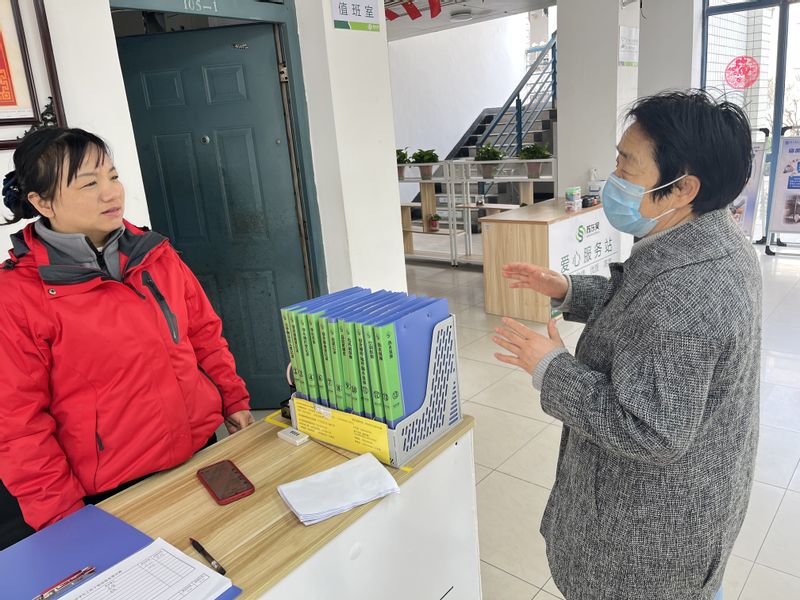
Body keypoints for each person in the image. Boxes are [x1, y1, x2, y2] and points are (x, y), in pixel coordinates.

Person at [492, 91, 760, 600]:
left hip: (647, 540)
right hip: (694, 510)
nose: (612, 178)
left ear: (683, 188)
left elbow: (650, 430)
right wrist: (568, 289)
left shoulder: (686, 287)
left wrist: (551, 367)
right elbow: (640, 311)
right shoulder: (709, 240)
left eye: (626, 166)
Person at [0, 127, 254, 550]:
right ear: (42, 202)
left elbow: (204, 336)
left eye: (113, 176)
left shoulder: (155, 255)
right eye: (89, 184)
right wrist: (63, 520)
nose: (111, 193)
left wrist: (235, 399)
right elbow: (18, 425)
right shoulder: (16, 296)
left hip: (200, 452)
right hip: (113, 490)